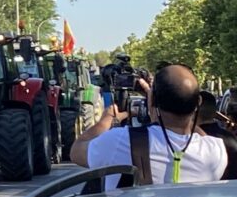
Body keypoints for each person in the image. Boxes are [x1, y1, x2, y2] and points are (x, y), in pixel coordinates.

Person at [71, 64, 227, 189]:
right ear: (198, 103)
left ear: (153, 101)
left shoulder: (120, 140)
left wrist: (106, 120)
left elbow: (76, 151)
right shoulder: (216, 152)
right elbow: (196, 133)